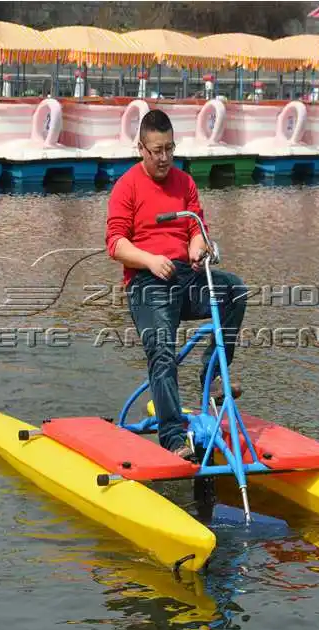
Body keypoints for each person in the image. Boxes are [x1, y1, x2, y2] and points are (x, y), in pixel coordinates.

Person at [105, 109, 247, 460]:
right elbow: (116, 244)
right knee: (162, 350)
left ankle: (211, 377)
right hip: (146, 282)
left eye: (170, 148)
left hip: (185, 276)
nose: (165, 157)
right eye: (157, 150)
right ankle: (172, 437)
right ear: (141, 148)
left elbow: (196, 227)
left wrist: (198, 246)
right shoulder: (127, 186)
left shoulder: (185, 183)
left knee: (234, 291)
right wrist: (150, 260)